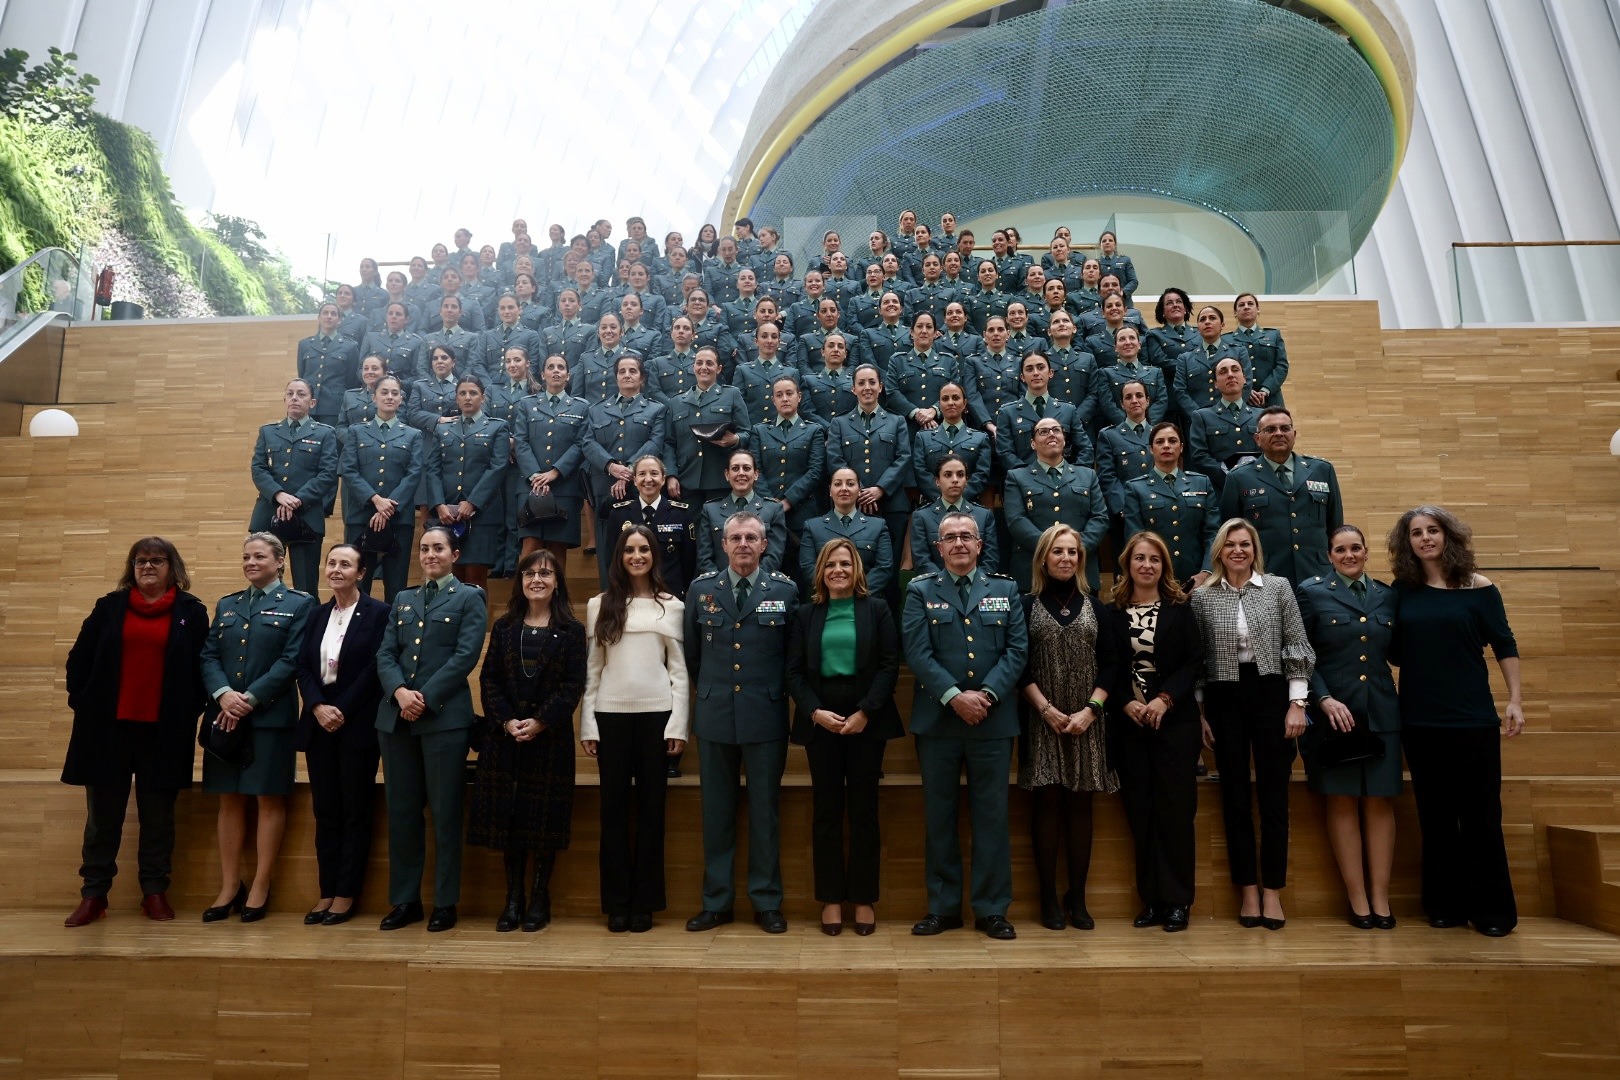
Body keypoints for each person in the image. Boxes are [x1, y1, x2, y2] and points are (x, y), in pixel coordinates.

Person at [1387, 505, 1524, 936]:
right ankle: (1444, 904)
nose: (1425, 538)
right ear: (1406, 542)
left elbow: (1504, 645)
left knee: (1481, 815)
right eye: (1416, 533)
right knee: (1436, 815)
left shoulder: (1479, 588)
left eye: (1433, 530)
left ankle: (1492, 911)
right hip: (1420, 720)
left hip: (1472, 719)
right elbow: (1392, 651)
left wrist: (1516, 700)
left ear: (1449, 536)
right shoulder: (1403, 590)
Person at [62, 537, 209, 926]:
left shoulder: (190, 613)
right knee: (102, 818)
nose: (147, 567)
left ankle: (154, 892)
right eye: (140, 561)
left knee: (158, 818)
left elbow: (201, 671)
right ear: (132, 567)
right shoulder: (109, 607)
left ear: (171, 567)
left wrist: (186, 713)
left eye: (156, 561)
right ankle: (94, 895)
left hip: (163, 734)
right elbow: (78, 660)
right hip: (107, 731)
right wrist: (85, 703)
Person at [903, 512, 1028, 940]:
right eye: (950, 537)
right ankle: (942, 908)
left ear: (979, 545)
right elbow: (917, 653)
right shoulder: (920, 591)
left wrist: (987, 696)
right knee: (940, 817)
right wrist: (955, 697)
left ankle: (992, 909)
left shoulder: (1006, 589)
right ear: (938, 547)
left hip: (993, 722)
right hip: (939, 721)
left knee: (991, 818)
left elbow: (1016, 650)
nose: (958, 543)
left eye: (966, 537)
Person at [1190, 518, 1315, 930]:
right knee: (1235, 798)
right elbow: (1198, 660)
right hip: (1224, 697)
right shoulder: (1202, 597)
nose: (1238, 551)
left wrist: (1297, 703)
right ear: (1219, 552)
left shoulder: (1277, 588)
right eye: (1230, 545)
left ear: (1254, 548)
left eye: (1245, 544)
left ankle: (1273, 891)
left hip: (1271, 693)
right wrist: (1202, 712)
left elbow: (1296, 644)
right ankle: (1247, 889)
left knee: (1275, 797)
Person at [684, 512, 799, 934]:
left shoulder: (784, 591)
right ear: (724, 543)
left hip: (765, 716)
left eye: (752, 537)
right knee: (716, 814)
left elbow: (792, 657)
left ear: (764, 544)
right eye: (736, 537)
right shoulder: (701, 590)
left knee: (765, 814)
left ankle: (767, 902)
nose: (744, 544)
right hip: (715, 717)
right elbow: (692, 656)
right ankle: (717, 902)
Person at [786, 537, 902, 936]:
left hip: (867, 719)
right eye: (832, 564)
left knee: (865, 811)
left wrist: (866, 711)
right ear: (821, 570)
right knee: (828, 812)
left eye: (846, 564)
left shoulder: (878, 609)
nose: (839, 570)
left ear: (857, 571)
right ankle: (832, 898)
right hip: (822, 719)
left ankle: (864, 898)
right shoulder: (806, 614)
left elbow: (889, 665)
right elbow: (794, 673)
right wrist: (815, 712)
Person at [374, 525, 487, 933]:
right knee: (403, 813)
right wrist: (401, 693)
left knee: (444, 813)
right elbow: (386, 653)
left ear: (455, 554)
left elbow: (464, 656)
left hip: (443, 720)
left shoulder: (470, 597)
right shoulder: (403, 599)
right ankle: (406, 900)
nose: (430, 554)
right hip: (396, 719)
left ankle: (445, 901)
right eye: (424, 549)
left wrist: (421, 697)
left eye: (439, 548)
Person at [199, 532, 315, 923]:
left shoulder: (300, 604)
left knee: (267, 799)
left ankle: (261, 884)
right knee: (229, 800)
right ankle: (230, 885)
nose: (250, 562)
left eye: (259, 556)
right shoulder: (228, 605)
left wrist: (248, 699)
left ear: (280, 561)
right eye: (246, 556)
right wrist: (222, 694)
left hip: (268, 719)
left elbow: (292, 660)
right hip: (225, 718)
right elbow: (209, 654)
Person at [470, 549, 586, 933]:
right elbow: (490, 681)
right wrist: (506, 722)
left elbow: (573, 687)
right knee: (511, 820)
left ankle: (539, 897)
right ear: (520, 582)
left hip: (549, 739)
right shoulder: (504, 627)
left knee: (545, 822)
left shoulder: (571, 630)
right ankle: (513, 898)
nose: (537, 579)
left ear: (557, 583)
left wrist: (539, 721)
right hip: (506, 739)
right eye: (530, 574)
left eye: (546, 574)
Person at [581, 528, 689, 932]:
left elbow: (678, 673)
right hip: (610, 718)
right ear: (619, 556)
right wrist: (589, 725)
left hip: (656, 719)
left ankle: (644, 902)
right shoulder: (599, 604)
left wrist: (678, 724)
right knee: (612, 814)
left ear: (654, 555)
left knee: (651, 813)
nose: (637, 556)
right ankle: (617, 904)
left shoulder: (671, 606)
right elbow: (593, 671)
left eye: (644, 549)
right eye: (629, 549)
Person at [1296, 525, 1400, 930]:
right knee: (1341, 802)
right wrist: (1321, 698)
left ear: (1366, 552)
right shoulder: (1311, 591)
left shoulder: (1388, 595)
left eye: (1356, 548)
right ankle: (1358, 900)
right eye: (1341, 549)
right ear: (1329, 555)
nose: (1349, 554)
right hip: (1333, 715)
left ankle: (1381, 898)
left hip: (1381, 715)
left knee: (1379, 803)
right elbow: (1301, 653)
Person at [1017, 524, 1119, 932]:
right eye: (1058, 552)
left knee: (1081, 806)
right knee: (1047, 805)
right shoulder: (1023, 606)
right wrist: (1046, 710)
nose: (1066, 558)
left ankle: (1077, 896)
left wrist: (1090, 710)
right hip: (1042, 717)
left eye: (1073, 552)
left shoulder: (1100, 607)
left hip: (1087, 720)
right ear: (1044, 557)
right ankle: (1046, 896)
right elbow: (1017, 665)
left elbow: (1113, 663)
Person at [1104, 530, 1203, 931]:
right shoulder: (1110, 611)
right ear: (1128, 564)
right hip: (1130, 726)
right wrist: (1124, 702)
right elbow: (1108, 664)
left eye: (1155, 559)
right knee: (1140, 815)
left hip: (1174, 724)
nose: (1147, 565)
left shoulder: (1180, 609)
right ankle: (1151, 900)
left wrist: (1164, 698)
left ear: (1164, 566)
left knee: (1176, 814)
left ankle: (1178, 901)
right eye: (1140, 558)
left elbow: (1194, 662)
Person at [293, 544, 388, 925]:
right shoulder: (316, 614)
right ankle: (326, 890)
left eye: (344, 564)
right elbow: (302, 665)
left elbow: (375, 668)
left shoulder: (379, 613)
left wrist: (341, 709)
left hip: (356, 723)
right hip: (319, 722)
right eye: (331, 563)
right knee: (325, 810)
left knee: (354, 811)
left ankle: (347, 893)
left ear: (361, 573)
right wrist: (317, 706)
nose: (335, 570)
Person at [1219, 406, 1344, 586]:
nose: (1278, 433)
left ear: (1294, 434)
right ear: (1257, 438)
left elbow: (1335, 527)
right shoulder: (1239, 477)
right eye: (1270, 430)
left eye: (1284, 428)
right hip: (1265, 577)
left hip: (1318, 576)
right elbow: (1229, 534)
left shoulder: (1322, 470)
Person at [827, 364, 913, 605]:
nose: (867, 388)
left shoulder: (896, 422)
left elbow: (904, 457)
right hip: (853, 506)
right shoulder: (839, 424)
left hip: (890, 504)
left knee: (890, 569)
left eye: (872, 383)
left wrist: (880, 489)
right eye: (861, 383)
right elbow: (835, 459)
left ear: (880, 387)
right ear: (853, 389)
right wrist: (858, 491)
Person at [249, 379, 338, 595]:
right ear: (285, 399)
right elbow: (258, 469)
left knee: (305, 586)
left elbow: (328, 473)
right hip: (268, 513)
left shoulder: (324, 433)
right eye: (290, 393)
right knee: (262, 581)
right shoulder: (268, 432)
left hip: (306, 516)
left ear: (313, 402)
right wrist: (278, 494)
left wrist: (297, 499)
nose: (295, 398)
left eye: (301, 394)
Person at [339, 374, 423, 601]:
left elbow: (414, 473)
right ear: (374, 397)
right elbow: (348, 470)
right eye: (384, 392)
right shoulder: (356, 432)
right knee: (358, 582)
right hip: (362, 515)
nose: (389, 397)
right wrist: (376, 500)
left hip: (398, 518)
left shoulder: (414, 435)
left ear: (401, 399)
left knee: (396, 585)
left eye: (395, 393)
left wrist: (388, 508)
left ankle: (393, 634)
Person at [1003, 417, 1108, 592]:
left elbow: (1100, 518)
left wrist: (1074, 550)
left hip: (1080, 569)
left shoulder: (1087, 475)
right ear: (1033, 443)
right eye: (1043, 432)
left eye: (1056, 430)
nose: (1051, 434)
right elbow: (1016, 520)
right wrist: (1050, 549)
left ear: (1064, 439)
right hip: (1034, 570)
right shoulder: (1017, 477)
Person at [426, 375, 508, 592]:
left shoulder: (497, 428)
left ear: (483, 397)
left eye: (473, 393)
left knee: (475, 579)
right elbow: (432, 469)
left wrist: (473, 502)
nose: (467, 397)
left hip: (481, 514)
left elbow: (497, 467)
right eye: (462, 393)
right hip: (447, 513)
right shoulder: (443, 429)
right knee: (450, 578)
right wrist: (438, 505)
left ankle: (476, 627)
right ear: (456, 398)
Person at [513, 353, 589, 568]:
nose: (556, 371)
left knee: (557, 550)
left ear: (568, 376)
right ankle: (524, 602)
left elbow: (581, 444)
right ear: (543, 374)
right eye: (551, 367)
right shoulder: (526, 405)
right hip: (531, 485)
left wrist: (555, 472)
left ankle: (558, 601)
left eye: (561, 367)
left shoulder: (581, 407)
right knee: (530, 546)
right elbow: (521, 440)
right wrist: (535, 474)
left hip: (564, 487)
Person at [1122, 422, 1220, 588]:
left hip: (1197, 580)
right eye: (1160, 442)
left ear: (1181, 447)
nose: (1166, 446)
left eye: (1172, 441)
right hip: (1154, 580)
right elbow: (1135, 539)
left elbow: (1213, 533)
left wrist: (1206, 572)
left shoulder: (1201, 483)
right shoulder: (1135, 488)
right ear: (1151, 449)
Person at [604, 455, 700, 600]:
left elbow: (689, 562)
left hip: (669, 596)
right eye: (642, 474)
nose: (648, 479)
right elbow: (611, 560)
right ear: (634, 480)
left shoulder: (681, 515)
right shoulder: (619, 515)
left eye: (654, 473)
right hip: (630, 596)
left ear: (663, 479)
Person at [664, 346, 747, 510]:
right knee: (689, 533)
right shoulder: (676, 402)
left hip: (721, 480)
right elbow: (669, 443)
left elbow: (747, 432)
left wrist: (735, 440)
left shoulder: (731, 395)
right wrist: (671, 475)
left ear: (719, 368)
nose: (704, 367)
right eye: (699, 363)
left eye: (709, 363)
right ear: (693, 367)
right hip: (687, 481)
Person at [799, 467, 895, 598]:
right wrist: (834, 591)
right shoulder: (812, 526)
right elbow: (808, 567)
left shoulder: (878, 526)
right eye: (838, 484)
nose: (844, 488)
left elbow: (884, 567)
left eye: (850, 484)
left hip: (866, 600)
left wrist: (858, 592)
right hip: (827, 600)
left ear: (859, 490)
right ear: (830, 491)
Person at [697, 447, 789, 576]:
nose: (741, 473)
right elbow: (704, 558)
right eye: (735, 468)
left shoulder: (773, 509)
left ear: (756, 474)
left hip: (760, 587)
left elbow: (774, 557)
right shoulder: (710, 510)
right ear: (727, 475)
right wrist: (722, 584)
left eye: (746, 468)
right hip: (720, 588)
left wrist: (752, 582)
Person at [1187, 356, 1260, 499]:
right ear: (1215, 383)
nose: (1230, 375)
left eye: (1235, 370)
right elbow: (1199, 456)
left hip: (1258, 490)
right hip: (1220, 492)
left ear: (1244, 379)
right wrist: (1230, 478)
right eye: (1223, 372)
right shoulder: (1202, 416)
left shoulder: (1262, 416)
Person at [298, 303, 362, 429]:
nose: (329, 317)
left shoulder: (350, 346)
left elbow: (352, 381)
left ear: (340, 320)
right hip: (308, 405)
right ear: (319, 317)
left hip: (334, 407)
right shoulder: (304, 344)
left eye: (333, 314)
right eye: (325, 313)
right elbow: (302, 375)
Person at [1223, 293, 1289, 408]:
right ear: (1235, 313)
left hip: (1271, 400)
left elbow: (1282, 366)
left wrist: (1266, 389)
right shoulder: (1225, 339)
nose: (1246, 307)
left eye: (1250, 304)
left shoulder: (1274, 335)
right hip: (1240, 401)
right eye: (1241, 305)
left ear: (1258, 309)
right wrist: (1245, 390)